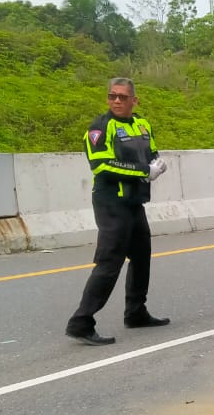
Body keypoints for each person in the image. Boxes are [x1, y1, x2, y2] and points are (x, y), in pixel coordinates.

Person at [65, 78, 170, 345]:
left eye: (123, 97)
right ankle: (81, 322)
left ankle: (135, 312)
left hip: (135, 202)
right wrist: (144, 172)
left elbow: (151, 153)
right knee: (110, 262)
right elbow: (103, 166)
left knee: (142, 256)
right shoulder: (100, 128)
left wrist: (157, 164)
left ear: (134, 100)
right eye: (112, 96)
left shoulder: (142, 124)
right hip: (111, 202)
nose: (117, 101)